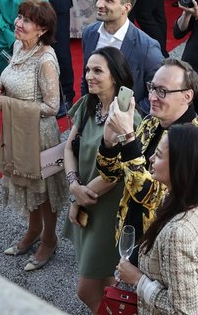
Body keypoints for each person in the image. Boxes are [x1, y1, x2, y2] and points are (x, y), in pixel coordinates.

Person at [97, 58, 198, 257]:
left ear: (187, 96)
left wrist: (129, 139)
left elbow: (153, 197)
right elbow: (112, 175)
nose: (152, 97)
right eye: (152, 87)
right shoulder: (151, 122)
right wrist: (109, 143)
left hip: (161, 246)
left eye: (162, 91)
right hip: (130, 231)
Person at [0, 0, 67, 271]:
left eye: (26, 20)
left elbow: (53, 107)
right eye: (19, 17)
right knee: (27, 186)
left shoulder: (45, 59)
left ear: (42, 29)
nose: (18, 23)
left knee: (46, 192)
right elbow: (14, 83)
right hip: (19, 131)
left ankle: (49, 238)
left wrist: (9, 104)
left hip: (43, 136)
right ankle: (33, 231)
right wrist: (1, 89)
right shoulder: (18, 46)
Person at [63, 47, 142, 312]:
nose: (89, 76)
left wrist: (79, 198)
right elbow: (69, 146)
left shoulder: (127, 117)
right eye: (88, 69)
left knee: (85, 290)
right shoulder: (88, 104)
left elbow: (116, 172)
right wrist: (74, 185)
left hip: (108, 209)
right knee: (106, 281)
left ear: (116, 77)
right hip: (85, 197)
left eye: (98, 70)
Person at [116, 123, 198, 315]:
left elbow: (184, 311)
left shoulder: (178, 233)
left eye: (158, 155)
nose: (150, 159)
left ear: (179, 166)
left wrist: (138, 280)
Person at [81, 0, 164, 112]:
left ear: (126, 8)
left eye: (108, 0)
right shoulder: (89, 33)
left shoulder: (147, 47)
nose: (99, 4)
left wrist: (130, 116)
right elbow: (85, 78)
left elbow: (158, 92)